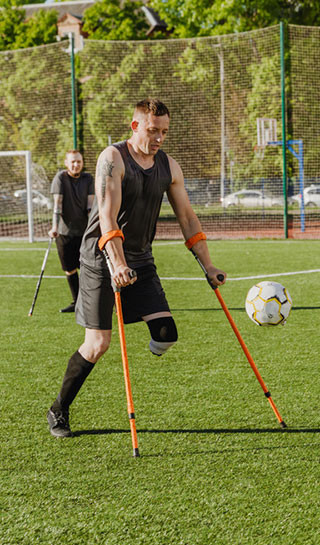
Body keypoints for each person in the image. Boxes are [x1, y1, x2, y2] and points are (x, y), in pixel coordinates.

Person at [46, 98, 226, 438]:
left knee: (166, 334)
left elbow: (187, 217)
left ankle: (137, 309)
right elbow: (107, 215)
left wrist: (208, 265)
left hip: (141, 258)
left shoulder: (169, 166)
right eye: (152, 130)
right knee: (98, 345)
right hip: (102, 259)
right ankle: (59, 408)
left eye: (164, 132)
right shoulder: (112, 159)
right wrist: (116, 263)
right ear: (135, 126)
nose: (158, 138)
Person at [49, 150, 94, 313]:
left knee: (88, 268)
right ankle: (77, 302)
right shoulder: (60, 178)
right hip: (64, 232)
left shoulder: (88, 178)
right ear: (66, 163)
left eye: (79, 162)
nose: (76, 165)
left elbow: (90, 205)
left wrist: (93, 227)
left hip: (84, 232)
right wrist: (54, 227)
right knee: (70, 269)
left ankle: (92, 302)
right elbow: (57, 204)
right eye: (73, 162)